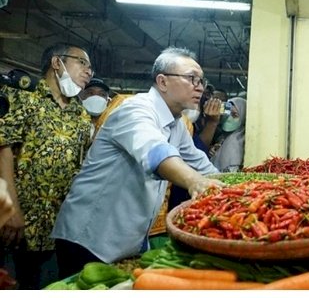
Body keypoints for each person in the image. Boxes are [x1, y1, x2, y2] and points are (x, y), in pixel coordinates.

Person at [51, 47, 223, 279]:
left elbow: (199, 162)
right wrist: (194, 181)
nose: (200, 86)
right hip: (90, 237)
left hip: (125, 239)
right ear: (162, 81)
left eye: (201, 80)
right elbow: (156, 152)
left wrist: (238, 189)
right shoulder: (135, 110)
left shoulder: (176, 124)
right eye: (192, 78)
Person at [0, 42, 93, 289]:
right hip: (14, 223)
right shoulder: (22, 97)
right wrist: (9, 209)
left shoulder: (81, 116)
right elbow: (3, 150)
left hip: (56, 230)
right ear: (56, 63)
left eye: (90, 68)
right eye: (82, 63)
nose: (88, 72)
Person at [210, 97, 247, 172]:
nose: (229, 118)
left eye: (235, 115)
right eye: (227, 114)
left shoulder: (235, 141)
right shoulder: (223, 137)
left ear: (243, 118)